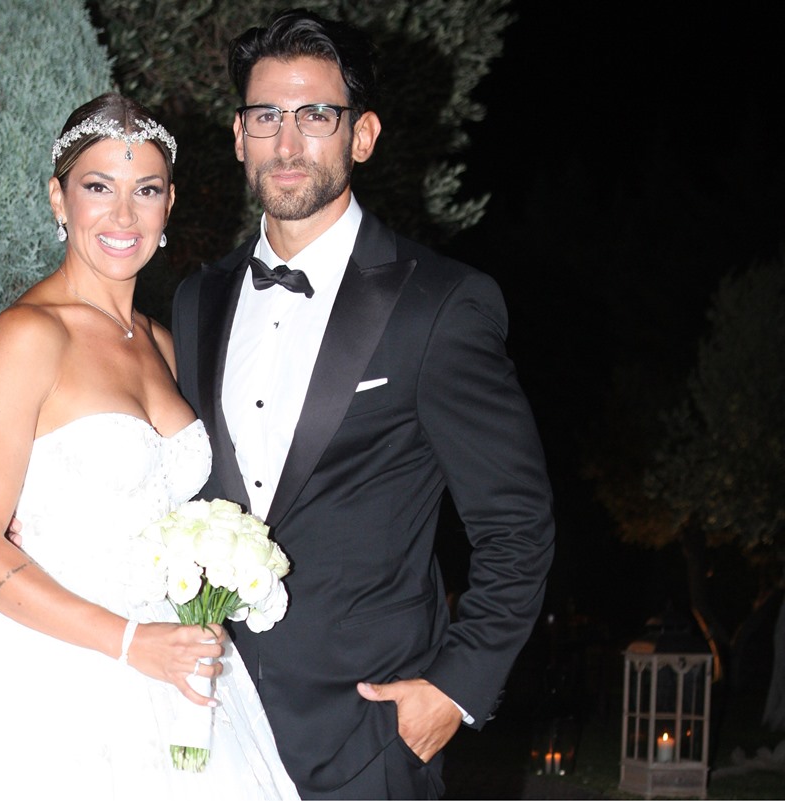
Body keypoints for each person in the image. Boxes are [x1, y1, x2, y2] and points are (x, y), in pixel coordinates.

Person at [0, 93, 298, 800]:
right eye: (98, 188)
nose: (123, 216)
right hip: (48, 667)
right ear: (59, 199)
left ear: (169, 205)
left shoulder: (164, 343)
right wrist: (130, 643)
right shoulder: (30, 334)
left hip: (176, 665)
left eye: (146, 191)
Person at [171, 10, 556, 800]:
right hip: (209, 724)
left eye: (316, 115)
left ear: (363, 135)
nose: (287, 142)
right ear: (239, 136)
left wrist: (453, 689)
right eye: (266, 116)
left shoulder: (439, 305)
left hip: (366, 739)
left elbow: (517, 523)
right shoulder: (196, 300)